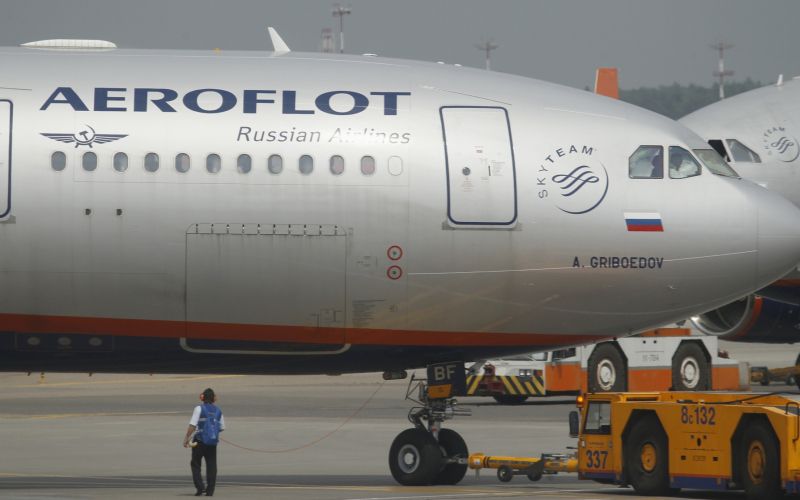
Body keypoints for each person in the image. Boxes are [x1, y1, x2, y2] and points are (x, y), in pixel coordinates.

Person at [183, 388, 225, 496]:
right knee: (211, 465)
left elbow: (192, 425)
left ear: (202, 397)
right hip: (212, 442)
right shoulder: (218, 410)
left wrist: (186, 438)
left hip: (199, 441)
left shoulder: (199, 408)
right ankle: (210, 490)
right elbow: (222, 427)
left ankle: (200, 487)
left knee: (195, 464)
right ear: (214, 398)